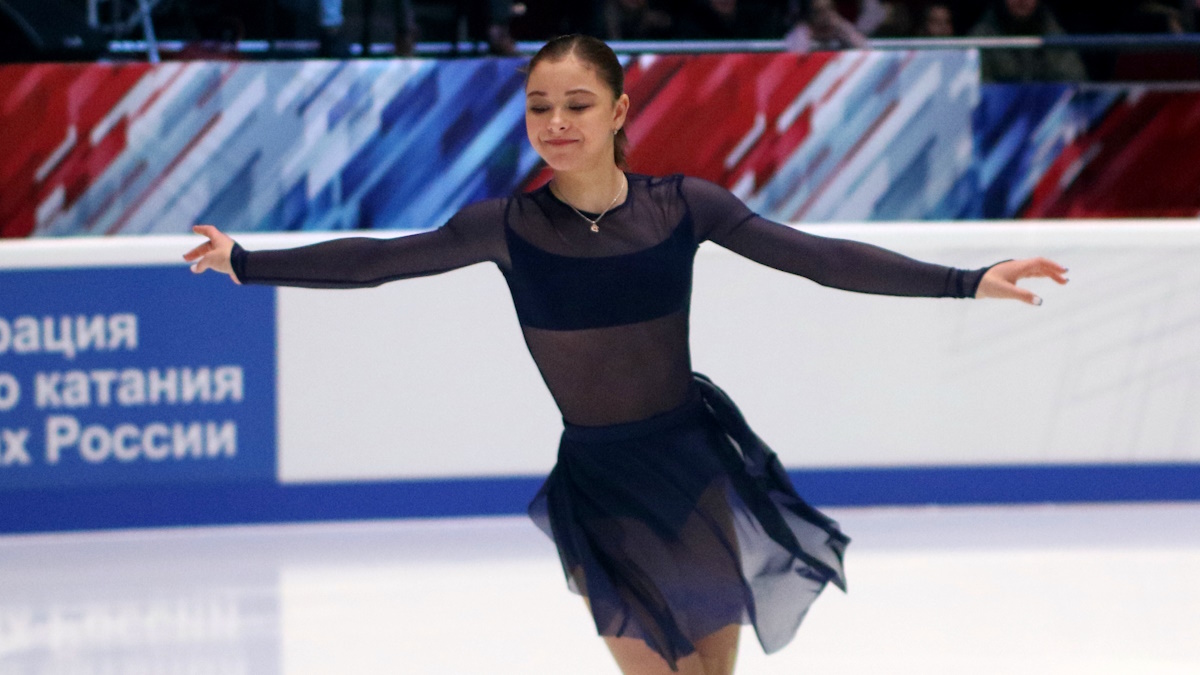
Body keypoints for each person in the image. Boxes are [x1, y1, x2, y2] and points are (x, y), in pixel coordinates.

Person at [185, 34, 1068, 675]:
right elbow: (379, 262)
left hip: (692, 465)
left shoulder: (683, 206)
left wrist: (966, 281)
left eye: (576, 104)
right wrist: (248, 262)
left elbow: (820, 259)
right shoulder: (504, 226)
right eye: (539, 106)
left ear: (618, 111)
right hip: (599, 483)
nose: (556, 121)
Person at [968, 0, 1088, 82]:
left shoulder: (1053, 33)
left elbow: (1074, 82)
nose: (1022, 1)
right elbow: (975, 91)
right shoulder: (982, 37)